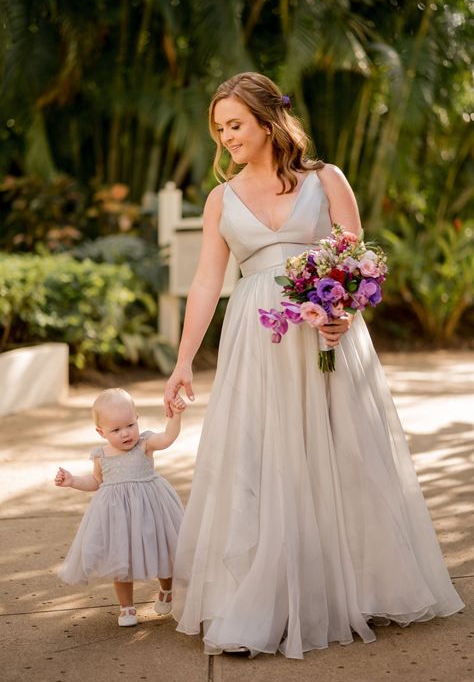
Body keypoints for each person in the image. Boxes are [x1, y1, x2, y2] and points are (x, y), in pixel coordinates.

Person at [163, 72, 463, 659]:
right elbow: (206, 281)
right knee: (262, 456)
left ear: (268, 122)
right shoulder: (220, 200)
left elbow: (356, 256)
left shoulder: (326, 180)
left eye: (236, 125)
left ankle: (360, 584)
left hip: (326, 334)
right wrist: (182, 362)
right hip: (258, 340)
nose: (226, 137)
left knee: (342, 452)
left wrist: (343, 312)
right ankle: (262, 597)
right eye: (219, 128)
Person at [55, 387, 185, 627]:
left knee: (161, 552)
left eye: (129, 425)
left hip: (151, 510)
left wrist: (175, 416)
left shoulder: (145, 444)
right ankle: (127, 608)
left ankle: (166, 590)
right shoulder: (101, 456)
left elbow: (168, 437)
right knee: (121, 562)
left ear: (137, 420)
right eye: (116, 430)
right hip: (119, 517)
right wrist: (73, 481)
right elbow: (96, 482)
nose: (125, 434)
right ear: (101, 431)